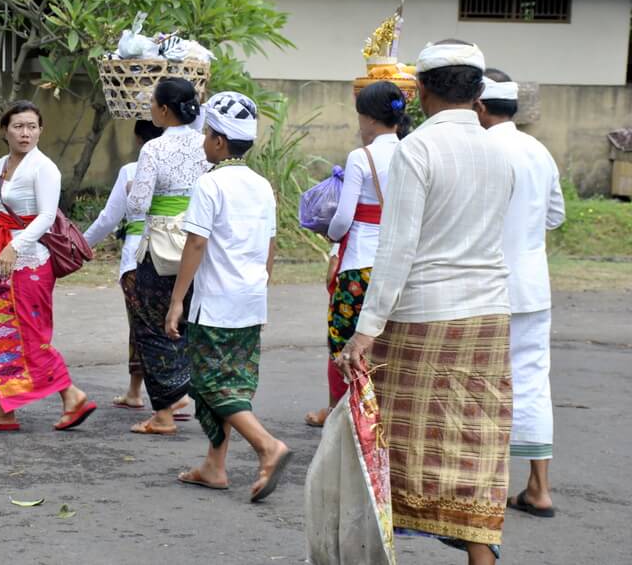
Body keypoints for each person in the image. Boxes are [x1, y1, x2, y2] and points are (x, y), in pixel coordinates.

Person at [338, 40, 515, 565]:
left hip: (423, 316)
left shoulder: (419, 150)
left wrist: (366, 329)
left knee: (389, 451)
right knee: (477, 447)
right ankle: (480, 556)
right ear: (479, 94)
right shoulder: (499, 151)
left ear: (420, 91)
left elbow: (397, 249)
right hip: (488, 314)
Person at [164, 91, 291, 502]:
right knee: (235, 381)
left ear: (219, 141)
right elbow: (271, 246)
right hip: (251, 299)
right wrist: (259, 288)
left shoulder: (210, 183)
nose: (203, 141)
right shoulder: (262, 186)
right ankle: (214, 465)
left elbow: (196, 245)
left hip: (215, 302)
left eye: (206, 135)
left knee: (208, 384)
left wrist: (177, 299)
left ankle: (267, 446)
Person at [0, 101, 97, 432]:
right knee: (4, 333)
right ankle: (6, 410)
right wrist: (5, 249)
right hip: (8, 259)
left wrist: (14, 246)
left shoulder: (44, 168)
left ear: (41, 130)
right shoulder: (2, 163)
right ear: (4, 131)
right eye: (18, 127)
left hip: (33, 261)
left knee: (28, 334)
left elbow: (47, 217)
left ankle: (72, 394)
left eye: (32, 127)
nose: (26, 133)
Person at [476, 70, 565, 518]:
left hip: (486, 286)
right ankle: (539, 488)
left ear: (479, 107)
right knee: (532, 382)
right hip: (533, 285)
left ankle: (484, 488)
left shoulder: (481, 149)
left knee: (480, 383)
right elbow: (554, 215)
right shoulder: (538, 150)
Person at [305, 81, 409, 427]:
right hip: (398, 263)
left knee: (343, 339)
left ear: (367, 118)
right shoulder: (413, 151)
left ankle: (340, 412)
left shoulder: (361, 157)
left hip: (359, 265)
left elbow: (343, 218)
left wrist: (330, 233)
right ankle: (381, 412)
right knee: (388, 340)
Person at [126, 77, 210, 435]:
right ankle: (190, 393)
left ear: (162, 110)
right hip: (200, 241)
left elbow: (137, 206)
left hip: (160, 246)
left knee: (151, 325)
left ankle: (163, 410)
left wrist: (133, 191)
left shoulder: (154, 149)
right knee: (191, 321)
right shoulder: (208, 143)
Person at [83, 120, 166, 410]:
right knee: (171, 324)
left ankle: (141, 392)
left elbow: (108, 218)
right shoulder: (189, 169)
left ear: (140, 139)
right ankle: (174, 394)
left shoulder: (133, 171)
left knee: (141, 327)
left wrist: (79, 245)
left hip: (137, 258)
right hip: (177, 256)